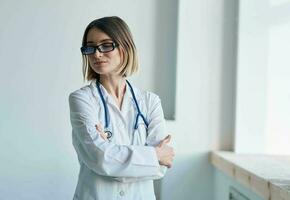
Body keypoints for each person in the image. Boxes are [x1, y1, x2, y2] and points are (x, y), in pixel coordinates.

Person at [69, 16, 175, 200]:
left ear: (125, 48)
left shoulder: (150, 102)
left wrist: (112, 156)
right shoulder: (81, 99)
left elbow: (161, 168)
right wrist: (154, 155)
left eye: (106, 45)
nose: (97, 54)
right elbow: (100, 159)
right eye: (90, 47)